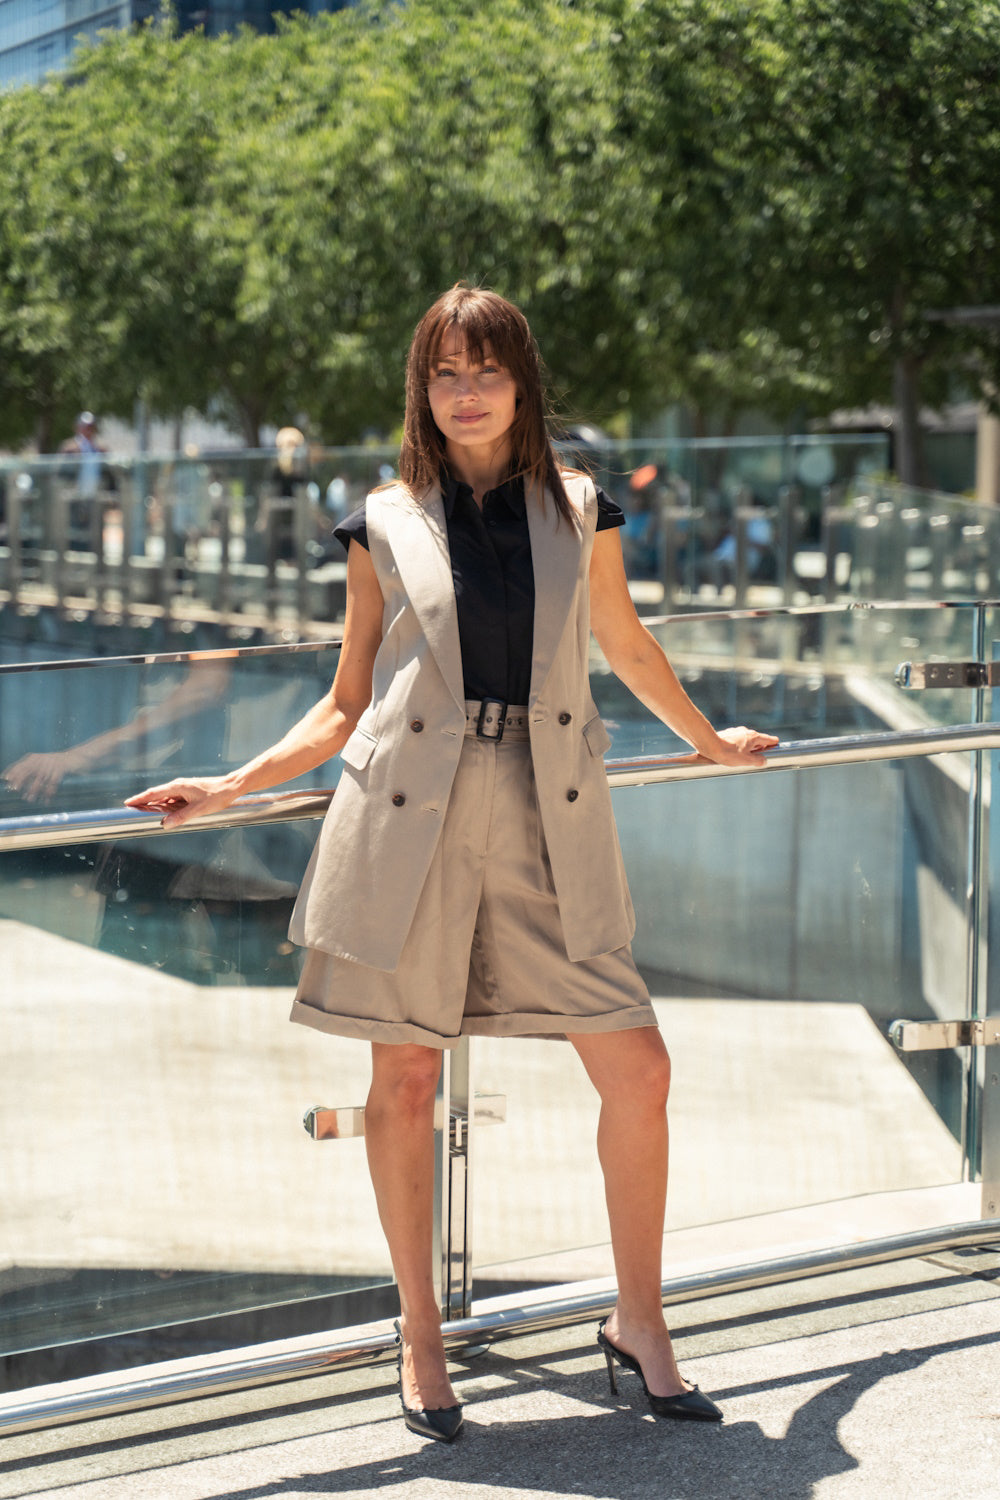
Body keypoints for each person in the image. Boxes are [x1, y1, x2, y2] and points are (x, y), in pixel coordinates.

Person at [125, 284, 777, 1443]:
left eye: (484, 369)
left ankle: (640, 1320)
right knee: (407, 1084)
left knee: (638, 1067)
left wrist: (707, 739)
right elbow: (346, 701)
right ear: (422, 390)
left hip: (547, 810)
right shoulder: (382, 518)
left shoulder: (578, 508)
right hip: (404, 819)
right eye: (443, 372)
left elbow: (622, 642)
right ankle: (420, 1342)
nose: (464, 390)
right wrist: (226, 787)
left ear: (521, 382)